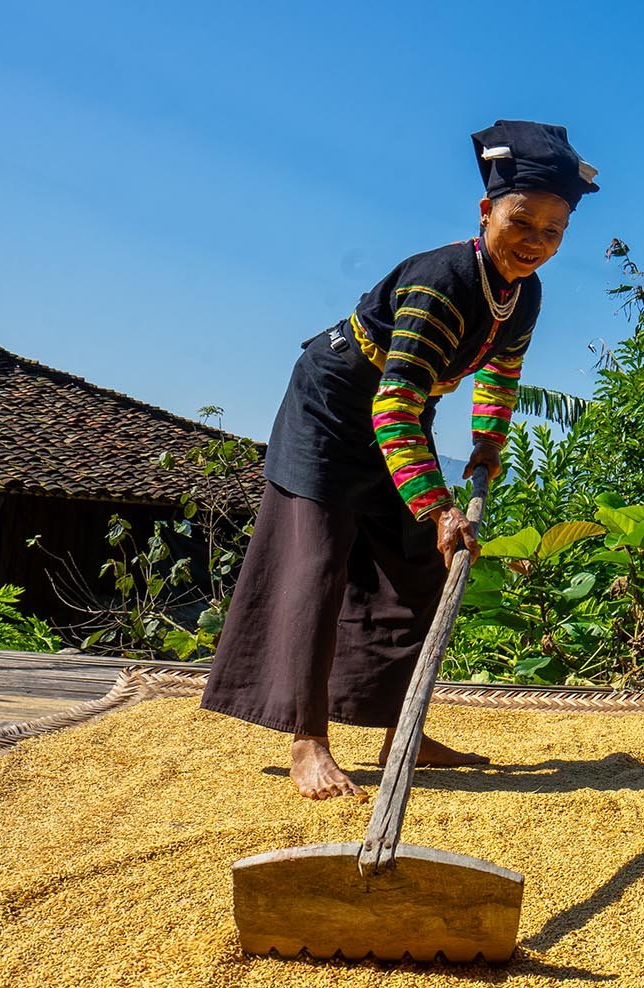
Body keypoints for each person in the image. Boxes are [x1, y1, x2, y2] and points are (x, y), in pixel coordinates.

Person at [201, 120, 599, 800]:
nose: (535, 242)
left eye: (552, 232)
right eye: (522, 222)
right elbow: (391, 407)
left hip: (401, 411)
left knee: (417, 562)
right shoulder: (444, 281)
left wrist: (485, 447)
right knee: (319, 564)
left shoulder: (523, 292)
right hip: (334, 404)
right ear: (486, 212)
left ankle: (400, 728)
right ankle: (308, 740)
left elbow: (500, 373)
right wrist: (440, 505)